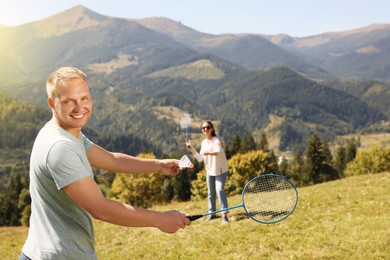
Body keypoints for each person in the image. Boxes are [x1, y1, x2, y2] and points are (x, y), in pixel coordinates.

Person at [19, 67, 191, 260]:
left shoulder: (66, 133)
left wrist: (158, 165)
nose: (79, 107)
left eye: (84, 98)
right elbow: (100, 209)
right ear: (52, 103)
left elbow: (111, 160)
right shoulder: (60, 147)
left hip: (46, 252)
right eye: (68, 101)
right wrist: (161, 219)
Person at [185, 120, 229, 224]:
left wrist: (208, 153)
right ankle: (212, 214)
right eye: (203, 128)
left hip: (220, 170)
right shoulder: (204, 143)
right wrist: (191, 147)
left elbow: (218, 152)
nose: (206, 129)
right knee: (210, 193)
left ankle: (224, 215)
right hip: (210, 170)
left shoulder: (216, 140)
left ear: (212, 129)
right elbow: (200, 158)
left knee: (220, 190)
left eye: (208, 127)